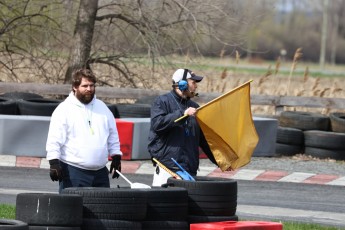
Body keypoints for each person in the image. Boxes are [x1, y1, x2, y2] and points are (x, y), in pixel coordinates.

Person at [46, 68, 122, 193]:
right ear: (75, 87)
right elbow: (54, 139)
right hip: (73, 171)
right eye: (85, 85)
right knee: (73, 210)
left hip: (100, 172)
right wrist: (54, 163)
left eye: (92, 85)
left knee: (102, 210)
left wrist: (116, 156)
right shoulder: (64, 109)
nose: (89, 89)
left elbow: (112, 134)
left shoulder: (102, 108)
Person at [148, 68, 218, 186]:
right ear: (182, 84)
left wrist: (220, 162)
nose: (196, 87)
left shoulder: (195, 107)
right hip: (168, 167)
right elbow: (158, 124)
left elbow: (204, 141)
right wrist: (183, 114)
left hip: (189, 168)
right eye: (193, 83)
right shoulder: (161, 101)